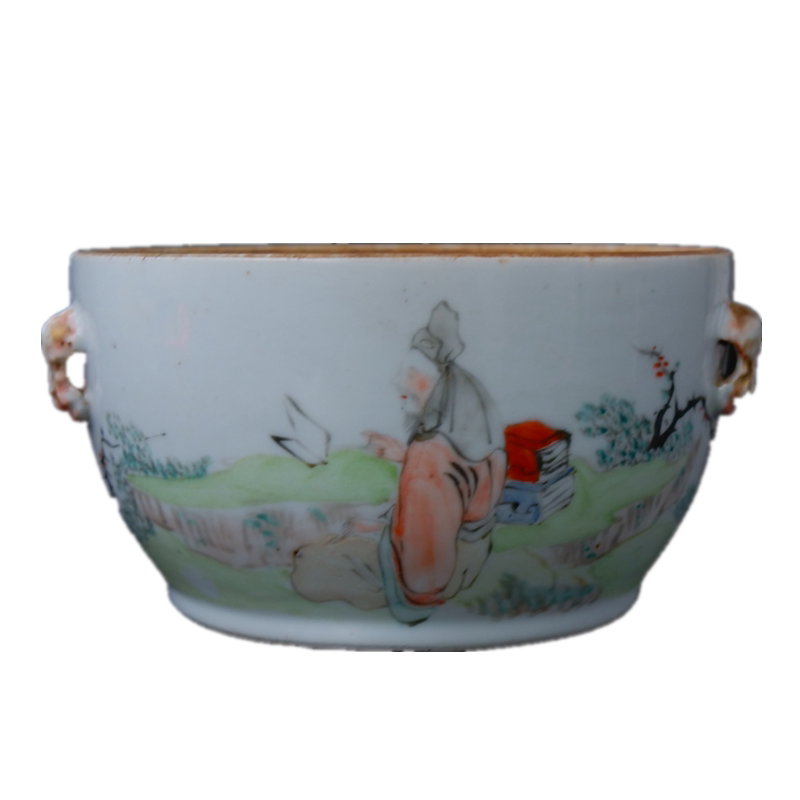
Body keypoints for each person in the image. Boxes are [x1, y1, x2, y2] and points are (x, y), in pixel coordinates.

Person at [291, 302, 507, 625]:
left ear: (436, 382)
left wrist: (416, 607)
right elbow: (460, 484)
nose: (398, 382)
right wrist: (403, 459)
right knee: (349, 535)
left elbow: (425, 570)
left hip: (431, 577)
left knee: (308, 564)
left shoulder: (427, 459)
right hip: (473, 553)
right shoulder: (472, 422)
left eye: (410, 375)